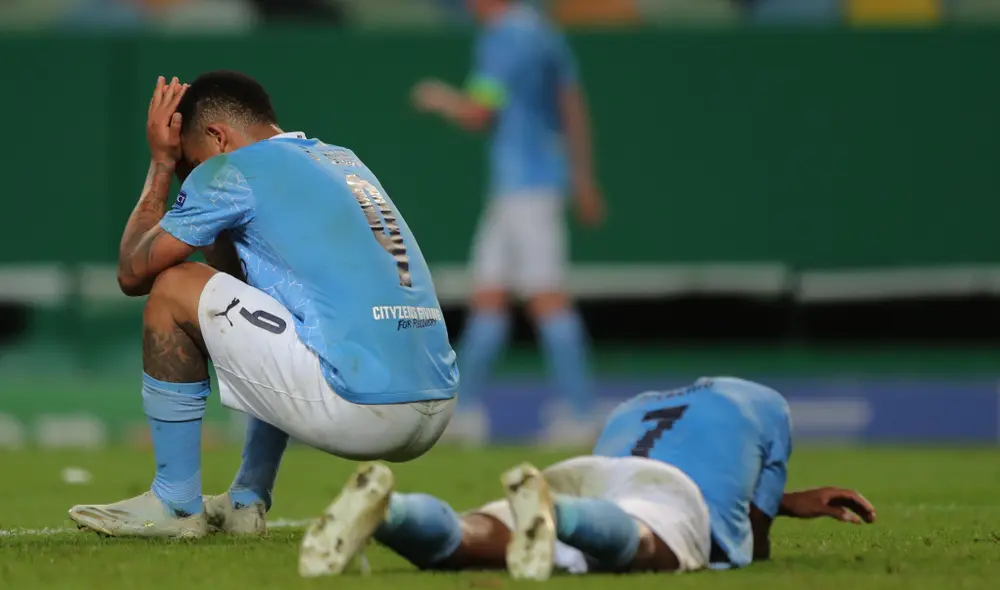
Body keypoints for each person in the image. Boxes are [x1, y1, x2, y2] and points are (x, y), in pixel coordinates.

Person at [67, 72, 460, 539]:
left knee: (174, 284)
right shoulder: (340, 160)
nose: (189, 182)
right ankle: (246, 499)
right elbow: (239, 287)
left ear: (217, 137)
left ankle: (172, 503)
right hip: (437, 398)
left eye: (190, 166)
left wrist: (161, 162)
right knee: (268, 305)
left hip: (365, 408)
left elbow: (133, 272)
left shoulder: (232, 170)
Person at [290, 377, 875, 577]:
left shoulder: (635, 406)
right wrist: (775, 506)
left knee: (474, 539)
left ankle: (390, 513)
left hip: (594, 474)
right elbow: (752, 539)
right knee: (641, 544)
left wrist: (792, 500)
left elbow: (631, 477)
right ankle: (559, 516)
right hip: (653, 500)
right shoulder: (768, 406)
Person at [411, 0, 605, 446]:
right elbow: (571, 102)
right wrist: (581, 176)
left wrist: (438, 99)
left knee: (547, 299)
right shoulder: (541, 28)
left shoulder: (502, 37)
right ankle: (465, 412)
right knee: (489, 298)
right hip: (529, 186)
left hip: (525, 189)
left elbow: (480, 112)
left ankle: (580, 414)